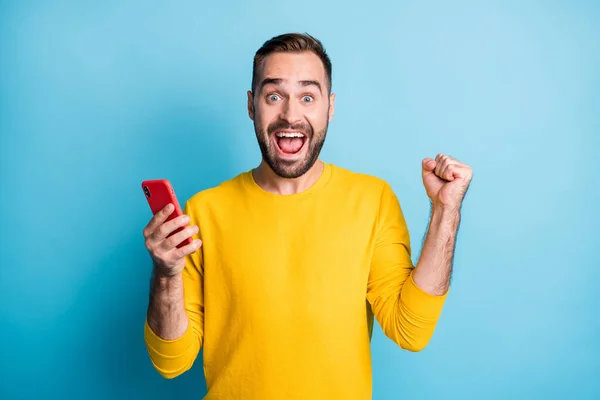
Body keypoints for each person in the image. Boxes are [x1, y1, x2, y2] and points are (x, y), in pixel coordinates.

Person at [142, 32, 473, 399]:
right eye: (273, 96)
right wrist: (166, 274)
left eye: (307, 96)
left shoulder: (372, 199)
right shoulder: (204, 211)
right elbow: (170, 361)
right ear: (252, 106)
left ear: (329, 108)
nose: (290, 114)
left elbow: (410, 330)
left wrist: (446, 210)